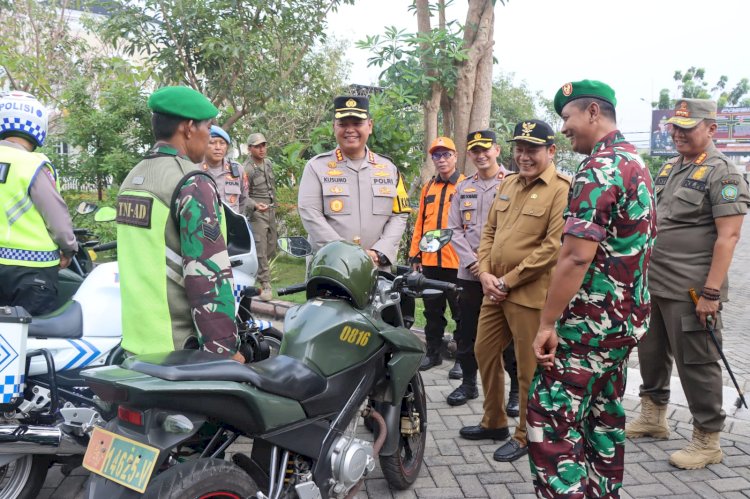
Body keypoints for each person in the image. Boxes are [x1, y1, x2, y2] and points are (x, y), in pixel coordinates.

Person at [528, 80, 656, 497]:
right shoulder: (634, 161)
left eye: (567, 118)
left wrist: (547, 323)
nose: (564, 128)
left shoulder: (600, 168)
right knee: (603, 419)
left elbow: (576, 256)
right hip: (622, 325)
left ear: (593, 113)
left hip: (587, 329)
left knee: (550, 423)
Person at [626, 98, 750, 470]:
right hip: (656, 283)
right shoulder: (670, 167)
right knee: (650, 353)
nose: (678, 133)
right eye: (675, 126)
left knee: (697, 362)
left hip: (693, 289)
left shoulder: (723, 172)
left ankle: (707, 438)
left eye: (688, 126)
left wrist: (711, 293)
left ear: (711, 129)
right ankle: (653, 417)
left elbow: (728, 238)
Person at [459, 122, 570, 464]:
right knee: (484, 352)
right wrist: (486, 273)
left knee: (527, 370)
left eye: (532, 149)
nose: (524, 156)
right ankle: (494, 422)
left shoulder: (562, 189)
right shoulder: (507, 184)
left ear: (551, 151)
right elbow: (489, 232)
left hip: (529, 295)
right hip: (494, 290)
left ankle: (526, 434)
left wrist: (508, 280)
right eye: (519, 149)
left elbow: (553, 247)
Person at [117, 86, 243, 362]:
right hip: (179, 349)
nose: (210, 136)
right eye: (208, 127)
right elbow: (208, 275)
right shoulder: (192, 182)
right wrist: (223, 352)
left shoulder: (133, 178)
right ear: (188, 128)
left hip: (136, 344)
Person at [446, 130, 519, 414]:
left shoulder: (514, 183)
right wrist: (473, 263)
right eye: (475, 151)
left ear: (497, 150)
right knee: (466, 332)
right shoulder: (464, 188)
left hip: (503, 274)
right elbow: (453, 229)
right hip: (470, 274)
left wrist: (490, 266)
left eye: (485, 149)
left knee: (509, 334)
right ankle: (468, 384)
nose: (480, 155)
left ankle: (515, 391)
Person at [298, 96, 411, 268]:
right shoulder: (316, 167)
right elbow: (310, 214)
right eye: (343, 124)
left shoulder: (389, 169)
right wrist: (347, 254)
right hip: (330, 267)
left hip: (377, 268)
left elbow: (400, 214)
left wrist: (380, 252)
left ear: (370, 126)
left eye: (357, 123)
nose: (350, 130)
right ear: (333, 127)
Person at [0, 90, 78, 316]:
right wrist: (69, 248)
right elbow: (56, 217)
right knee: (31, 341)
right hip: (31, 272)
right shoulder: (33, 165)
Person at [409, 136, 464, 374]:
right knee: (432, 312)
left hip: (457, 263)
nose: (441, 160)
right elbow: (420, 223)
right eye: (437, 156)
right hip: (430, 261)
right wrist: (415, 256)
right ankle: (433, 353)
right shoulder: (428, 188)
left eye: (446, 155)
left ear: (455, 157)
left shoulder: (465, 184)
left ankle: (463, 360)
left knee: (462, 314)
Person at [243, 132, 276, 301]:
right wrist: (255, 206)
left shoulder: (268, 163)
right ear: (250, 149)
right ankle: (266, 285)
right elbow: (243, 195)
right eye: (257, 146)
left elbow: (272, 188)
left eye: (263, 145)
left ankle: (252, 276)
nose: (262, 149)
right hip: (257, 214)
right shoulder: (246, 169)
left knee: (271, 246)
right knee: (261, 250)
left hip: (270, 211)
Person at [202, 125, 250, 214]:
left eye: (222, 143)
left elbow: (244, 200)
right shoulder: (194, 170)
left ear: (227, 147)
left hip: (231, 226)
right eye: (212, 143)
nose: (218, 147)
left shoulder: (237, 170)